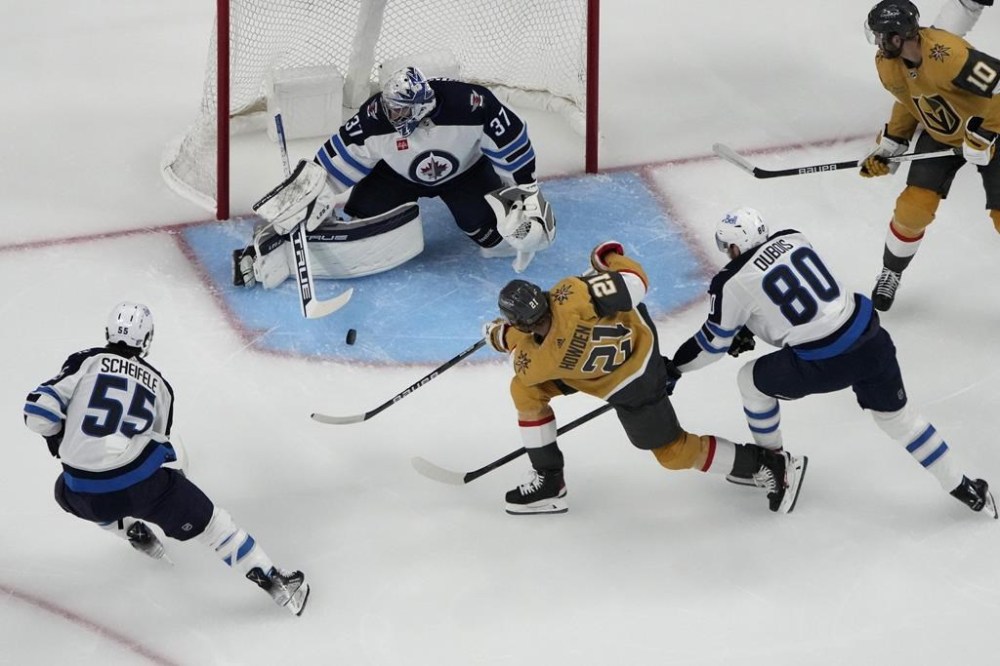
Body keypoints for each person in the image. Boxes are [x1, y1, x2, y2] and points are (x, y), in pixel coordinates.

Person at [668, 207, 997, 518]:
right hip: (872, 342)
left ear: (736, 247)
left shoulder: (731, 281)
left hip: (826, 363)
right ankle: (966, 488)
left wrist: (675, 368)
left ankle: (775, 465)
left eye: (728, 248)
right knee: (902, 421)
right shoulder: (794, 237)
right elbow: (796, 303)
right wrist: (749, 326)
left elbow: (712, 344)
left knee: (750, 381)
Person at [22, 302, 311, 615]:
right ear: (147, 341)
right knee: (214, 525)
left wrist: (61, 439)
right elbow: (161, 442)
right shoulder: (161, 386)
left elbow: (38, 414)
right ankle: (276, 583)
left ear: (108, 332)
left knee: (67, 489)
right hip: (141, 487)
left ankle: (130, 530)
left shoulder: (87, 361)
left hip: (81, 494)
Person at [481, 243, 807, 516]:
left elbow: (519, 349)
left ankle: (770, 466)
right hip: (642, 342)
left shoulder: (537, 361)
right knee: (526, 391)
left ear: (521, 325)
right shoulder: (571, 293)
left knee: (672, 452)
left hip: (631, 387)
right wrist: (607, 257)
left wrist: (499, 334)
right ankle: (549, 481)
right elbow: (635, 283)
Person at [233, 65, 556, 289]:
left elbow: (512, 146)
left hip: (466, 173)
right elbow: (336, 159)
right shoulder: (375, 119)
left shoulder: (473, 105)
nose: (391, 115)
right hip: (396, 177)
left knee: (493, 238)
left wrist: (525, 193)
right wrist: (307, 196)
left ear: (420, 106)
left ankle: (492, 229)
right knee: (359, 222)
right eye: (389, 107)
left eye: (399, 110)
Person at [860, 0, 998, 311]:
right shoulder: (887, 63)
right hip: (941, 136)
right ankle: (891, 272)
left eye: (883, 37)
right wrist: (893, 143)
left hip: (993, 133)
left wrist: (986, 134)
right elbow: (908, 100)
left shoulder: (948, 55)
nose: (878, 44)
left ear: (898, 37)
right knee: (913, 210)